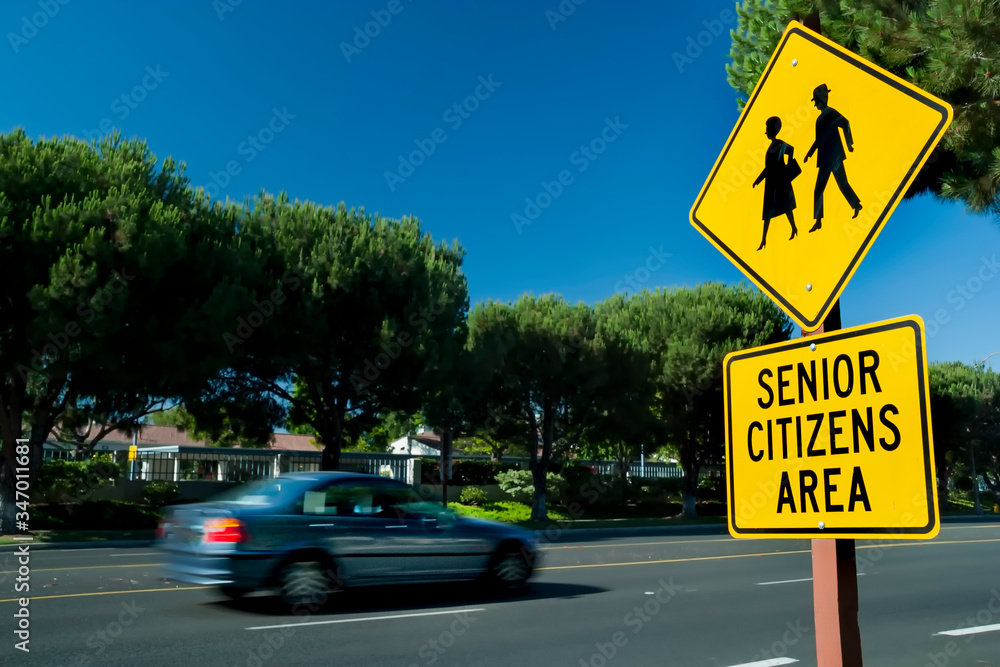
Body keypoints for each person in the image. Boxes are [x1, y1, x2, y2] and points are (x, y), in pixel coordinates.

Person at [804, 84, 862, 232]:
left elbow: (845, 123)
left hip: (834, 157)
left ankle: (856, 205)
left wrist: (849, 143)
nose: (815, 104)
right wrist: (809, 153)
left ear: (821, 100)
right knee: (819, 189)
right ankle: (818, 221)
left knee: (842, 184)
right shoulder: (819, 119)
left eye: (816, 100)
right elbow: (819, 140)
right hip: (825, 159)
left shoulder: (830, 113)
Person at [752, 116, 798, 250]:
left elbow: (791, 150)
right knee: (768, 212)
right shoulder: (770, 147)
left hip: (780, 181)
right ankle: (764, 239)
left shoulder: (780, 144)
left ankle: (794, 228)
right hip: (771, 183)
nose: (766, 131)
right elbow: (768, 168)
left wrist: (787, 167)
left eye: (767, 128)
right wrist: (758, 180)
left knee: (786, 207)